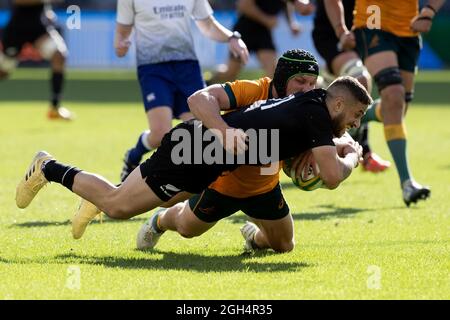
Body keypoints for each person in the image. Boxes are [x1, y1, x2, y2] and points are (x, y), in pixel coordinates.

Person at [16, 76, 371, 243]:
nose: (355, 124)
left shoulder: (313, 105)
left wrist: (340, 141)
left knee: (121, 199)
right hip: (194, 152)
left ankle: (86, 195)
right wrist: (353, 155)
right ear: (337, 104)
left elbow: (307, 139)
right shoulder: (316, 116)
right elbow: (331, 176)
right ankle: (47, 167)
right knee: (117, 205)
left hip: (207, 159)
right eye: (355, 115)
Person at [135, 49, 357, 253]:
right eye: (300, 81)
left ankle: (254, 239)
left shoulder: (310, 106)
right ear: (282, 79)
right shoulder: (254, 90)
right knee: (186, 228)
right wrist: (223, 131)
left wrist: (336, 145)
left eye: (312, 83)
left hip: (264, 187)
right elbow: (201, 98)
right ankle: (160, 221)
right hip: (223, 183)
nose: (307, 89)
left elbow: (334, 128)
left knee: (284, 245)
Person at [115, 0, 249, 182]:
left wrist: (232, 38)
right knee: (160, 133)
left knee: (199, 133)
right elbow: (122, 32)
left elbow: (208, 25)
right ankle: (133, 156)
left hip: (187, 68)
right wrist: (121, 44)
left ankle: (189, 186)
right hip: (153, 68)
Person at [329, 0, 446, 206]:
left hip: (409, 30)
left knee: (397, 109)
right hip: (373, 23)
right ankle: (407, 183)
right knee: (394, 95)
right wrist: (341, 30)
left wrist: (428, 11)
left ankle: (359, 117)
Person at [312, 0, 391, 173]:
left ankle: (360, 150)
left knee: (325, 92)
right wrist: (341, 31)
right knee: (360, 78)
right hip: (332, 32)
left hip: (358, 34)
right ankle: (360, 149)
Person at [206, 0, 315, 83]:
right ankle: (206, 82)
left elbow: (288, 2)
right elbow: (244, 5)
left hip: (263, 32)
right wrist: (266, 20)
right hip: (245, 30)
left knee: (273, 72)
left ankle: (267, 105)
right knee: (230, 73)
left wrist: (292, 22)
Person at [0, 0, 73, 120]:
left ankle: (55, 108)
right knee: (3, 72)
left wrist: (48, 11)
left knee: (59, 56)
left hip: (39, 27)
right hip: (17, 29)